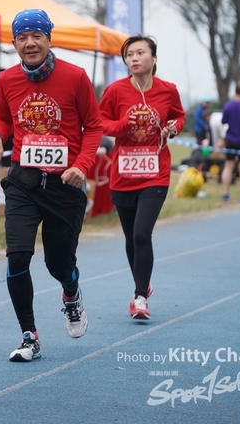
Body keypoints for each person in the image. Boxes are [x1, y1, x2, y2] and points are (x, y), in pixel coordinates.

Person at [0, 9, 103, 362]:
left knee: (58, 264)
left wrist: (81, 165)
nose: (30, 43)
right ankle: (29, 336)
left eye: (36, 35)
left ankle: (71, 293)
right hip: (23, 181)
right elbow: (2, 116)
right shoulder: (7, 79)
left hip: (65, 186)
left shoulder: (75, 76)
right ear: (14, 43)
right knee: (17, 255)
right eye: (22, 37)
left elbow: (94, 126)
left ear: (49, 39)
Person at [99, 34, 185, 320]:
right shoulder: (115, 91)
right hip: (123, 173)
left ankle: (139, 298)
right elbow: (101, 123)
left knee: (141, 234)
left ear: (154, 57)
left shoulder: (168, 90)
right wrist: (125, 124)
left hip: (155, 173)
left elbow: (179, 116)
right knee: (130, 238)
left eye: (140, 53)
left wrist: (173, 128)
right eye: (129, 55)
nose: (134, 58)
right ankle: (143, 282)